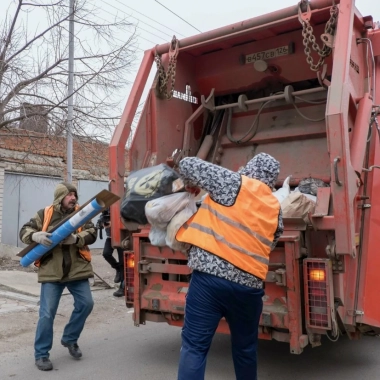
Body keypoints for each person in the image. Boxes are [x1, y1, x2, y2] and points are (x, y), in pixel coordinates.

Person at [175, 153, 284, 380]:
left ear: (250, 167)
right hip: (249, 288)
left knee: (195, 348)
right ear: (272, 179)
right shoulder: (275, 207)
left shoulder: (232, 182)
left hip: (209, 282)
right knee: (245, 350)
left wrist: (193, 184)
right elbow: (271, 242)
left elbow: (187, 164)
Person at [19, 182, 97, 371]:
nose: (73, 198)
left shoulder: (82, 213)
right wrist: (35, 236)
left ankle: (70, 339)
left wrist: (76, 239)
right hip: (52, 271)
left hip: (76, 270)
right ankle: (42, 355)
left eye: (74, 194)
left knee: (86, 304)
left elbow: (92, 233)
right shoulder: (44, 213)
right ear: (60, 197)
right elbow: (24, 231)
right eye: (69, 195)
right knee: (46, 315)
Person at [98, 208, 125, 297]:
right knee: (106, 254)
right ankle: (117, 269)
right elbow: (99, 224)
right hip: (110, 237)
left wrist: (113, 223)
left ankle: (122, 287)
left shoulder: (121, 210)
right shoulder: (105, 213)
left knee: (123, 263)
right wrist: (102, 224)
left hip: (122, 237)